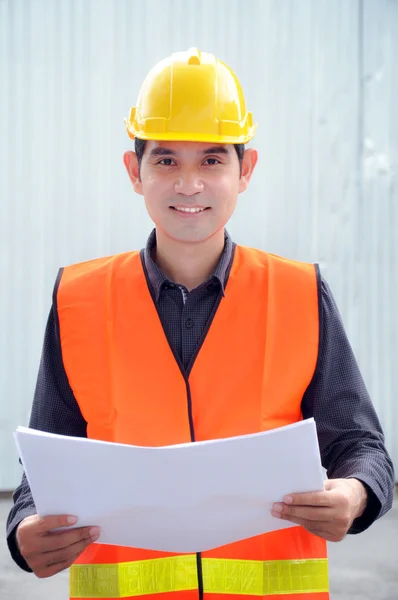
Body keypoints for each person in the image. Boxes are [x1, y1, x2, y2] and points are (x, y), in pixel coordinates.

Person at [6, 48, 394, 600]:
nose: (188, 184)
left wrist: (354, 495)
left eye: (212, 159)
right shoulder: (79, 299)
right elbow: (45, 459)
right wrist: (24, 531)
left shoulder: (299, 293)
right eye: (166, 160)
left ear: (246, 170)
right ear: (133, 171)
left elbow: (360, 443)